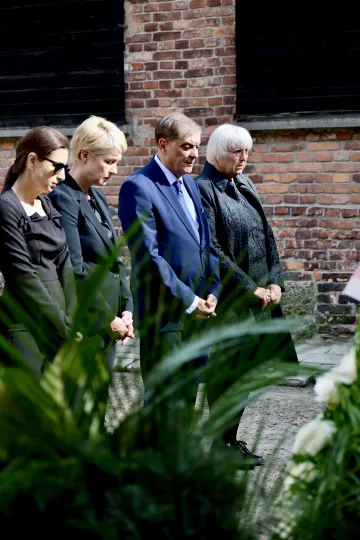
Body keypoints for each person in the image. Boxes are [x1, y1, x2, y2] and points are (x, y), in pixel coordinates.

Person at [195, 123, 298, 464]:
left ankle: (227, 441)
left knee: (247, 372)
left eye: (247, 152)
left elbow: (266, 235)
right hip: (230, 300)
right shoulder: (204, 189)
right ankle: (219, 446)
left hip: (259, 296)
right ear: (216, 153)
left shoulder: (245, 183)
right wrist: (249, 287)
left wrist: (275, 282)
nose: (243, 158)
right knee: (228, 373)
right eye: (236, 152)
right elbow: (212, 248)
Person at [118, 112, 221, 412]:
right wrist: (189, 301)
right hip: (165, 317)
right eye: (187, 146)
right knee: (163, 405)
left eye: (197, 146)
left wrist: (213, 290)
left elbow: (207, 244)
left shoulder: (189, 185)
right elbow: (148, 257)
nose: (194, 154)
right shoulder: (138, 187)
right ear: (163, 144)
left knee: (187, 402)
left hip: (199, 312)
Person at [49, 116, 133, 369]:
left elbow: (113, 262)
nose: (115, 170)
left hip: (109, 325)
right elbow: (75, 268)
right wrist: (108, 318)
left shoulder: (96, 196)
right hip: (86, 324)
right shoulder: (62, 198)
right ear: (84, 155)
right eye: (109, 162)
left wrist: (126, 307)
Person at [0, 126, 77, 373]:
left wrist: (73, 318)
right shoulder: (7, 208)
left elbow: (65, 262)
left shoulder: (46, 204)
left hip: (58, 327)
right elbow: (23, 277)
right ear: (32, 160)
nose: (62, 176)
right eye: (57, 166)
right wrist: (62, 327)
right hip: (25, 327)